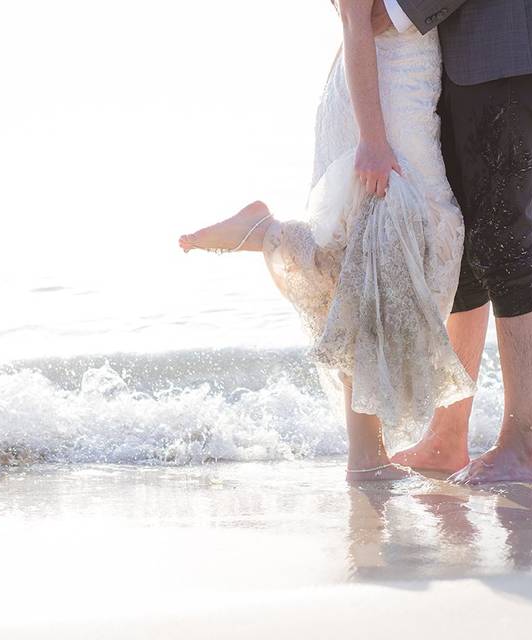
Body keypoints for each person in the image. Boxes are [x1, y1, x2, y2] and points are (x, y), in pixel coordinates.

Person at [179, 0, 477, 481]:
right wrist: (373, 139)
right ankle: (365, 456)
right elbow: (356, 21)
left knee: (380, 259)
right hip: (381, 100)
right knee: (393, 253)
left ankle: (267, 232)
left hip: (398, 87)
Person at [380, 0, 532, 484]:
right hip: (456, 51)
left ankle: (521, 448)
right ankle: (448, 437)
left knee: (506, 246)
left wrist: (399, 11)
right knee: (461, 253)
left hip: (504, 48)